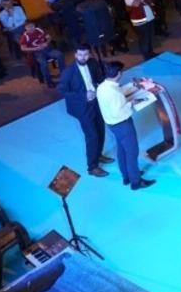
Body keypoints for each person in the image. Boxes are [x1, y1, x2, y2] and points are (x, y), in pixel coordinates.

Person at [96, 62, 155, 191]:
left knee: (122, 149)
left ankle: (127, 176)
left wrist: (132, 85)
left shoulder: (103, 86)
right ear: (118, 74)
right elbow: (119, 110)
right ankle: (136, 181)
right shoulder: (113, 93)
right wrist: (131, 103)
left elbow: (119, 91)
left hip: (112, 124)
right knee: (132, 152)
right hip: (122, 124)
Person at [57, 47, 114, 177]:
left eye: (86, 54)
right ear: (75, 54)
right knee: (92, 136)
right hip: (82, 107)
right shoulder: (68, 72)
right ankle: (92, 167)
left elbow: (98, 78)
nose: (83, 57)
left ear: (89, 54)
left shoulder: (92, 63)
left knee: (101, 130)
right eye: (80, 54)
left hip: (96, 103)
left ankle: (98, 154)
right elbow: (62, 90)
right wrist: (83, 95)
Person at [18, 22, 62, 87]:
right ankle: (49, 82)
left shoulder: (39, 30)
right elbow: (23, 48)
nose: (31, 28)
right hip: (37, 53)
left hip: (47, 49)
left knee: (59, 54)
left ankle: (64, 73)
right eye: (29, 27)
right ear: (25, 28)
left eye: (32, 26)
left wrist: (46, 43)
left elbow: (49, 37)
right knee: (44, 64)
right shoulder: (25, 36)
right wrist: (35, 49)